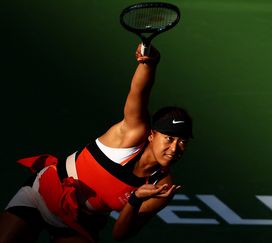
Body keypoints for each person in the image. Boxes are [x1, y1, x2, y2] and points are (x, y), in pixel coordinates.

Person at [0, 44, 193, 243]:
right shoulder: (132, 134)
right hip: (44, 192)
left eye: (182, 142)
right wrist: (149, 65)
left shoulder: (162, 186)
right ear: (152, 135)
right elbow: (139, 93)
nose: (174, 148)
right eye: (169, 138)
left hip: (81, 222)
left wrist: (135, 200)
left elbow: (120, 234)